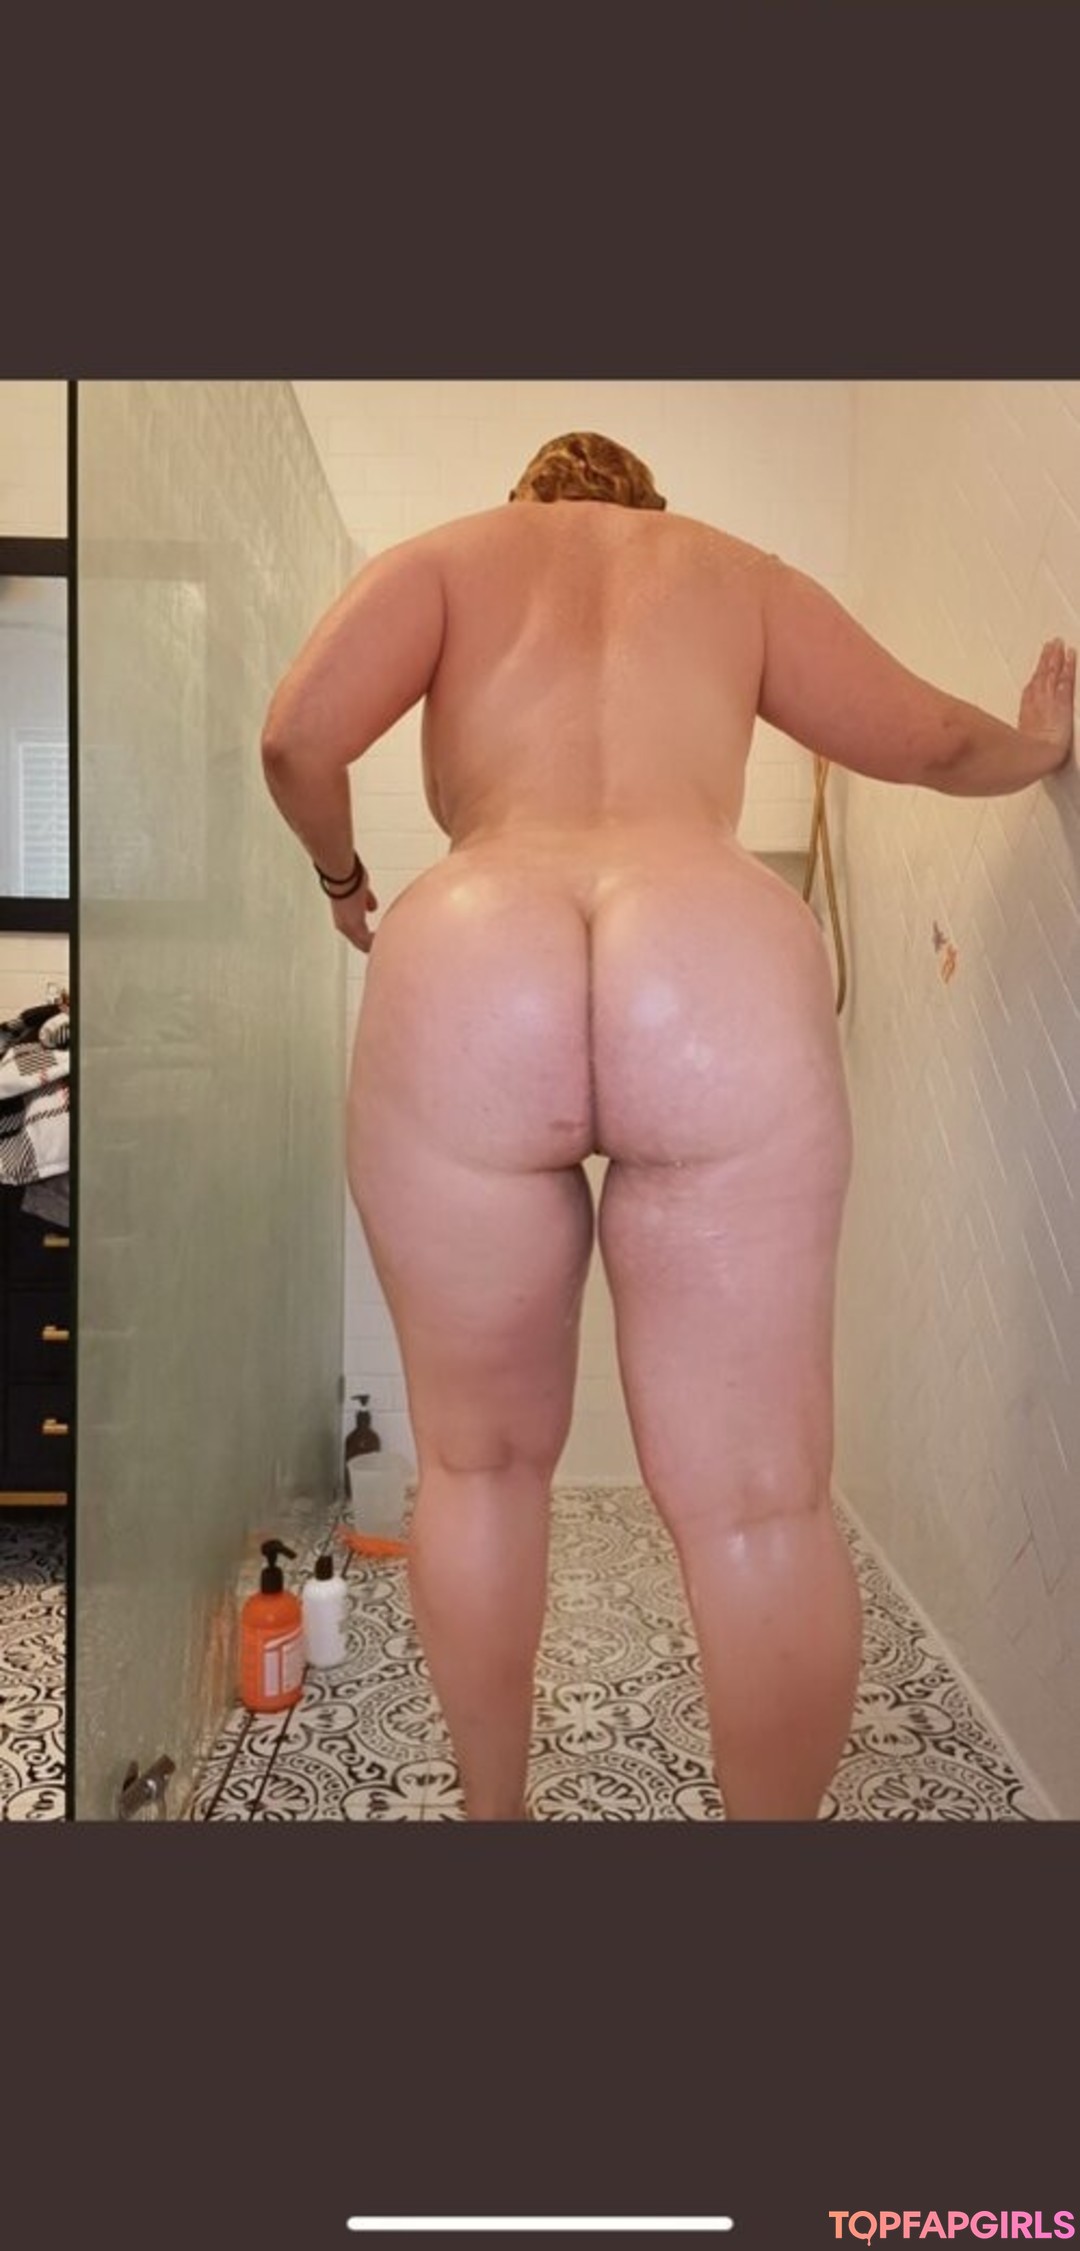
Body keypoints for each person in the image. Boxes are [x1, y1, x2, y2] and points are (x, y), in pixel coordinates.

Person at [261, 429, 1076, 1822]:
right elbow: (934, 740)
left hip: (473, 957)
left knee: (476, 1466)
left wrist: (344, 879)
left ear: (529, 498)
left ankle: (496, 1821)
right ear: (652, 505)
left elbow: (294, 737)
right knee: (762, 1501)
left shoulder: (447, 560)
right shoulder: (733, 572)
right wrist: (1042, 745)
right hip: (712, 956)